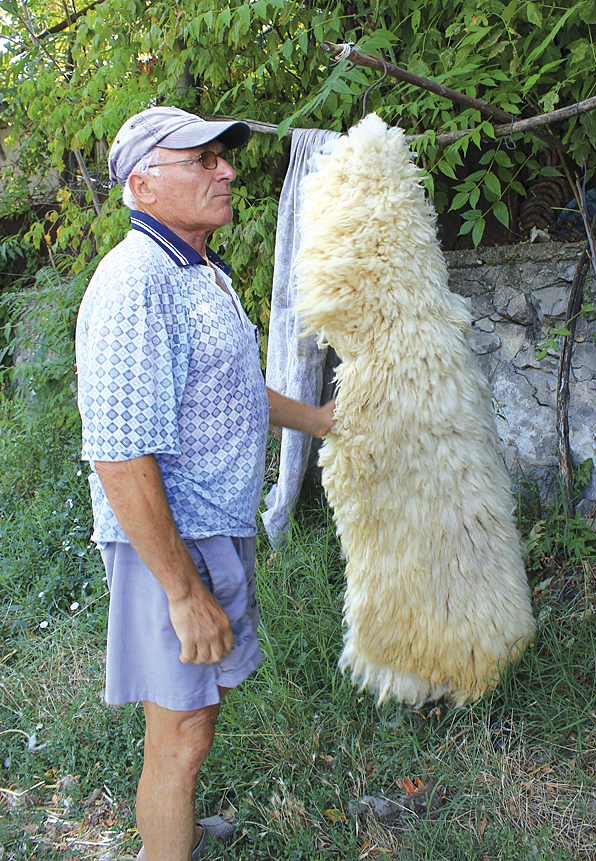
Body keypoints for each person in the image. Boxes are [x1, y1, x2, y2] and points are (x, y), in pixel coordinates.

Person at [75, 106, 335, 861]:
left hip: (210, 527)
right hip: (168, 541)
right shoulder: (136, 282)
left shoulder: (196, 269)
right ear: (143, 181)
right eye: (203, 160)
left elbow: (230, 389)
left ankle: (177, 827)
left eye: (224, 157)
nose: (226, 171)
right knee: (181, 732)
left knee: (198, 716)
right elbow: (119, 456)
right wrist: (184, 592)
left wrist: (319, 421)